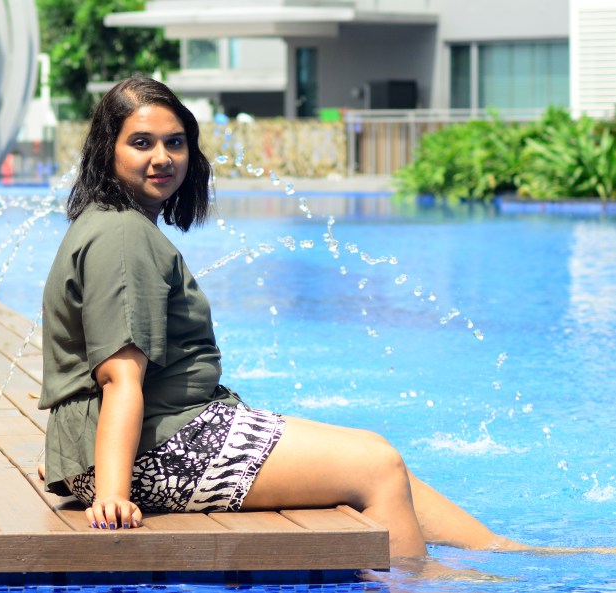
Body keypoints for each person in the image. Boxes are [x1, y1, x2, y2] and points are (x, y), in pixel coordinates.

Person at [39, 77, 613, 572]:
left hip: (154, 439)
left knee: (379, 458)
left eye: (175, 142)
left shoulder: (112, 221)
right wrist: (111, 493)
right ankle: (422, 580)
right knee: (377, 466)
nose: (162, 157)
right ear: (107, 150)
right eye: (141, 142)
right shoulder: (123, 236)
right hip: (159, 451)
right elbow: (120, 377)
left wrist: (76, 461)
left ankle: (502, 549)